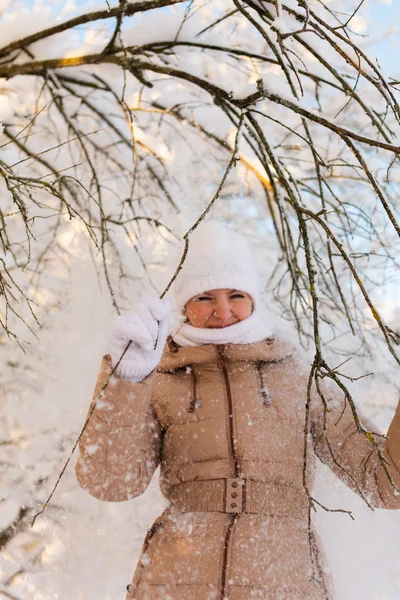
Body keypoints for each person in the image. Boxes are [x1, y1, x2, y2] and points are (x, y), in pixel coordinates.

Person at [75, 222, 400, 600]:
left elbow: (387, 485)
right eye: (204, 297)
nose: (223, 311)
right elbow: (110, 483)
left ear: (254, 298)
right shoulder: (157, 376)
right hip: (176, 580)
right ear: (183, 305)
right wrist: (125, 380)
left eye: (235, 294)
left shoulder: (300, 378)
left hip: (284, 579)